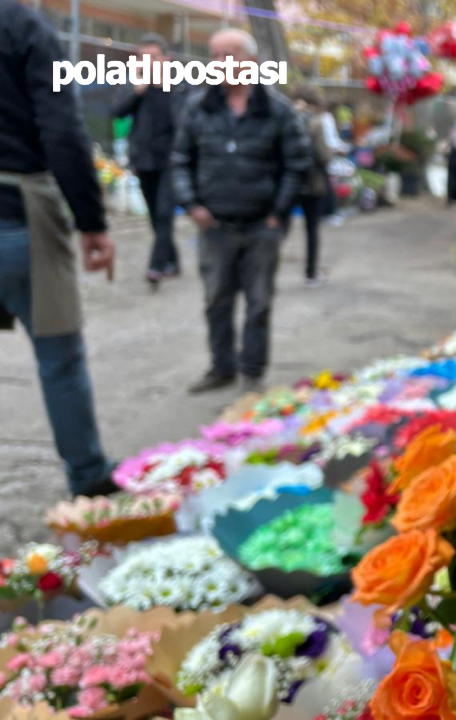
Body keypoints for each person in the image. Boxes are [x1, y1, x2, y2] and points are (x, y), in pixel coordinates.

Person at [0, 0, 117, 496]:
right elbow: (62, 130)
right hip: (17, 212)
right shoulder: (21, 23)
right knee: (60, 358)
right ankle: (89, 480)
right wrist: (91, 223)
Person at [170, 28, 311, 394]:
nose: (218, 63)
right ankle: (221, 367)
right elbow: (180, 160)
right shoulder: (198, 107)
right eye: (214, 55)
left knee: (259, 302)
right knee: (216, 300)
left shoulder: (277, 110)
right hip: (214, 224)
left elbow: (297, 164)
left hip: (262, 224)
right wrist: (192, 204)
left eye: (227, 55)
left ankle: (252, 373)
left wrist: (278, 213)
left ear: (250, 61)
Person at [111, 33, 188, 290]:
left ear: (166, 59)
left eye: (153, 57)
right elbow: (116, 111)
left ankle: (156, 266)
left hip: (173, 160)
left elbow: (188, 121)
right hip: (144, 159)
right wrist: (137, 91)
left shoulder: (180, 86)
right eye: (143, 58)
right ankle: (173, 260)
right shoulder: (135, 86)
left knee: (165, 213)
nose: (148, 62)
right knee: (156, 215)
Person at [291, 88, 343, 286]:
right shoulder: (317, 123)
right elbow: (324, 156)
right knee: (312, 229)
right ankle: (311, 272)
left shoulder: (287, 120)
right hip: (313, 183)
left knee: (279, 226)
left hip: (291, 182)